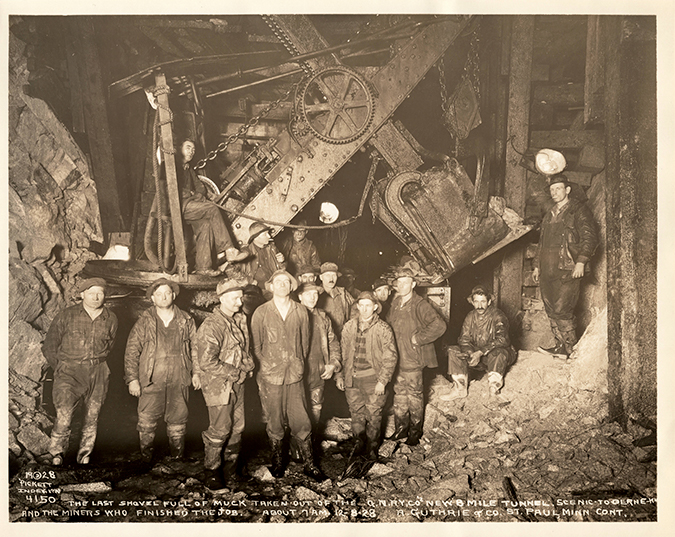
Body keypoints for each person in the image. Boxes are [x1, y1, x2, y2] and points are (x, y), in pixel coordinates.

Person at [250, 270, 324, 480]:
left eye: (286, 281)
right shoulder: (261, 312)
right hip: (271, 376)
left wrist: (298, 363)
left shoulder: (301, 311)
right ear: (271, 286)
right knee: (274, 420)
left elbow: (304, 343)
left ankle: (310, 465)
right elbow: (256, 346)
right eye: (278, 281)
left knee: (302, 419)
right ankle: (277, 464)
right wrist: (266, 365)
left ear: (292, 287)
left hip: (294, 375)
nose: (282, 284)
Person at [42, 278, 118, 466]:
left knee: (93, 415)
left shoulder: (111, 318)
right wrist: (61, 368)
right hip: (69, 370)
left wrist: (100, 364)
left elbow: (111, 346)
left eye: (100, 293)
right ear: (82, 294)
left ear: (105, 295)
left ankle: (85, 454)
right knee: (64, 413)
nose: (95, 297)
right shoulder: (67, 315)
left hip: (98, 371)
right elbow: (50, 345)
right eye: (91, 293)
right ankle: (56, 453)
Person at [124, 278, 199, 464]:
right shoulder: (144, 322)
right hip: (151, 379)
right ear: (152, 298)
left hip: (179, 377)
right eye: (159, 294)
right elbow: (132, 351)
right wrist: (132, 379)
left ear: (173, 295)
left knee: (178, 419)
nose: (163, 297)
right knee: (147, 420)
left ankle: (177, 459)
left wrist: (197, 373)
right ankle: (146, 459)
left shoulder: (186, 320)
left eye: (167, 293)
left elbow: (196, 349)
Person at [196, 277, 255, 490]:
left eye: (240, 297)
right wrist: (235, 372)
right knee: (220, 429)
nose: (239, 302)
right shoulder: (212, 325)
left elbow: (243, 349)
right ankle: (212, 473)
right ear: (221, 298)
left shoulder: (238, 319)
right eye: (234, 298)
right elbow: (206, 362)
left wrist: (248, 364)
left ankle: (231, 471)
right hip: (219, 385)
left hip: (238, 382)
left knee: (238, 427)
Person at [533, 174, 599, 358]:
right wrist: (537, 265)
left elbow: (589, 237)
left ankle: (572, 351)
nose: (554, 193)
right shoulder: (549, 214)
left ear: (567, 190)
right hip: (547, 269)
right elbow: (541, 243)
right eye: (552, 190)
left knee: (563, 310)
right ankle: (560, 347)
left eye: (558, 188)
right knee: (550, 309)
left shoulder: (578, 210)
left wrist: (581, 261)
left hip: (567, 268)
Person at [386, 268, 446, 445]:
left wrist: (418, 338)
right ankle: (401, 429)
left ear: (413, 284)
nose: (401, 286)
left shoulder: (420, 304)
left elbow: (439, 325)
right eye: (399, 282)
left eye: (405, 282)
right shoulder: (396, 303)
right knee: (399, 395)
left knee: (414, 396)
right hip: (398, 358)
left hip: (413, 358)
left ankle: (414, 432)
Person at [338, 291, 398, 461]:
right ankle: (358, 443)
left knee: (374, 415)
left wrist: (382, 381)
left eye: (368, 306)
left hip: (373, 379)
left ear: (375, 307)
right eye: (361, 305)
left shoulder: (383, 328)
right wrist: (340, 376)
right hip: (352, 378)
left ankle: (372, 449)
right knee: (356, 412)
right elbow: (342, 354)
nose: (364, 309)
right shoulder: (349, 326)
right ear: (357, 306)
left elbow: (390, 357)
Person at [177, 139, 248, 276]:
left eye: (193, 149)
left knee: (206, 225)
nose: (191, 151)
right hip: (179, 207)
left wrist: (195, 194)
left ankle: (203, 267)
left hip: (190, 206)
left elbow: (201, 188)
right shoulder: (171, 167)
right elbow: (173, 190)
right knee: (212, 208)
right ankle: (229, 250)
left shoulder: (189, 169)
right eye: (188, 147)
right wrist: (193, 195)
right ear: (179, 148)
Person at [441, 285, 516, 400]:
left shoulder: (498, 315)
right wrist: (470, 353)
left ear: (489, 302)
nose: (479, 306)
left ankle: (493, 389)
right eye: (476, 302)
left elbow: (502, 339)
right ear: (472, 302)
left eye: (483, 302)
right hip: (477, 354)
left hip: (495, 354)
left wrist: (480, 353)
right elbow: (464, 339)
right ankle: (459, 388)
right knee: (454, 351)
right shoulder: (470, 316)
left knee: (498, 353)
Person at [296, 282, 342, 425]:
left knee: (316, 408)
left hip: (318, 372)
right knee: (295, 412)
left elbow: (333, 342)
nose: (312, 297)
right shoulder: (292, 316)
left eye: (315, 294)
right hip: (296, 375)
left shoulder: (322, 317)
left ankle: (313, 437)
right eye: (308, 294)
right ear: (300, 296)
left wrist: (333, 364)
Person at [242, 221, 286, 299]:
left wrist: (282, 261)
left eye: (268, 233)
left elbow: (282, 269)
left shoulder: (272, 248)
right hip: (258, 290)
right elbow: (231, 271)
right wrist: (251, 281)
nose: (269, 236)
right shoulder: (246, 252)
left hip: (274, 283)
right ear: (255, 238)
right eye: (265, 234)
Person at [317, 262, 354, 337]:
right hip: (322, 335)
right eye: (327, 275)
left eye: (334, 275)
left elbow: (355, 308)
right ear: (321, 277)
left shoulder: (343, 293)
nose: (331, 279)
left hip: (342, 335)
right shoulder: (316, 294)